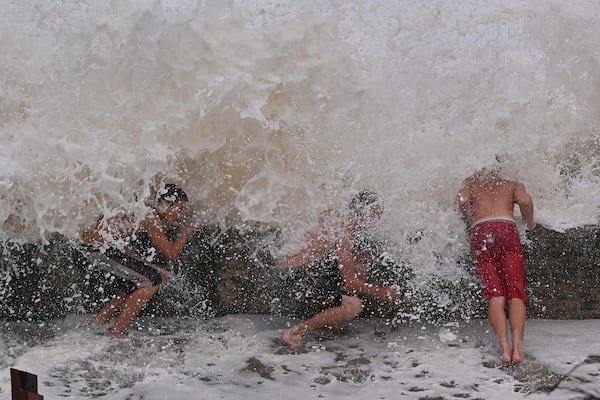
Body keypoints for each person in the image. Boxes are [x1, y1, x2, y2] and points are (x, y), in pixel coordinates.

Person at [279, 191, 400, 349]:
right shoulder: (344, 233)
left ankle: (331, 323)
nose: (378, 218)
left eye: (379, 213)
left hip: (300, 271)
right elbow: (350, 282)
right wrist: (383, 292)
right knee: (353, 306)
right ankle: (295, 333)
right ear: (361, 212)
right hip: (294, 276)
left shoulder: (341, 225)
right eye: (375, 213)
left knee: (359, 265)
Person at [79, 183, 195, 338]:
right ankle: (117, 331)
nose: (180, 214)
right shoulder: (152, 217)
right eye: (179, 209)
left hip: (91, 248)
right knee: (151, 280)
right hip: (92, 251)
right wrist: (187, 230)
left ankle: (98, 322)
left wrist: (150, 266)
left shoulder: (146, 210)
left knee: (135, 281)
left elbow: (120, 245)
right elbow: (170, 253)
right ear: (166, 204)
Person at [456, 168, 536, 363]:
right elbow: (525, 201)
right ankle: (518, 349)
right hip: (506, 228)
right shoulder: (512, 183)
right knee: (516, 294)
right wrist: (530, 222)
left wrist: (461, 217)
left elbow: (462, 200)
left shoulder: (473, 184)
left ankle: (504, 349)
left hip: (480, 230)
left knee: (496, 295)